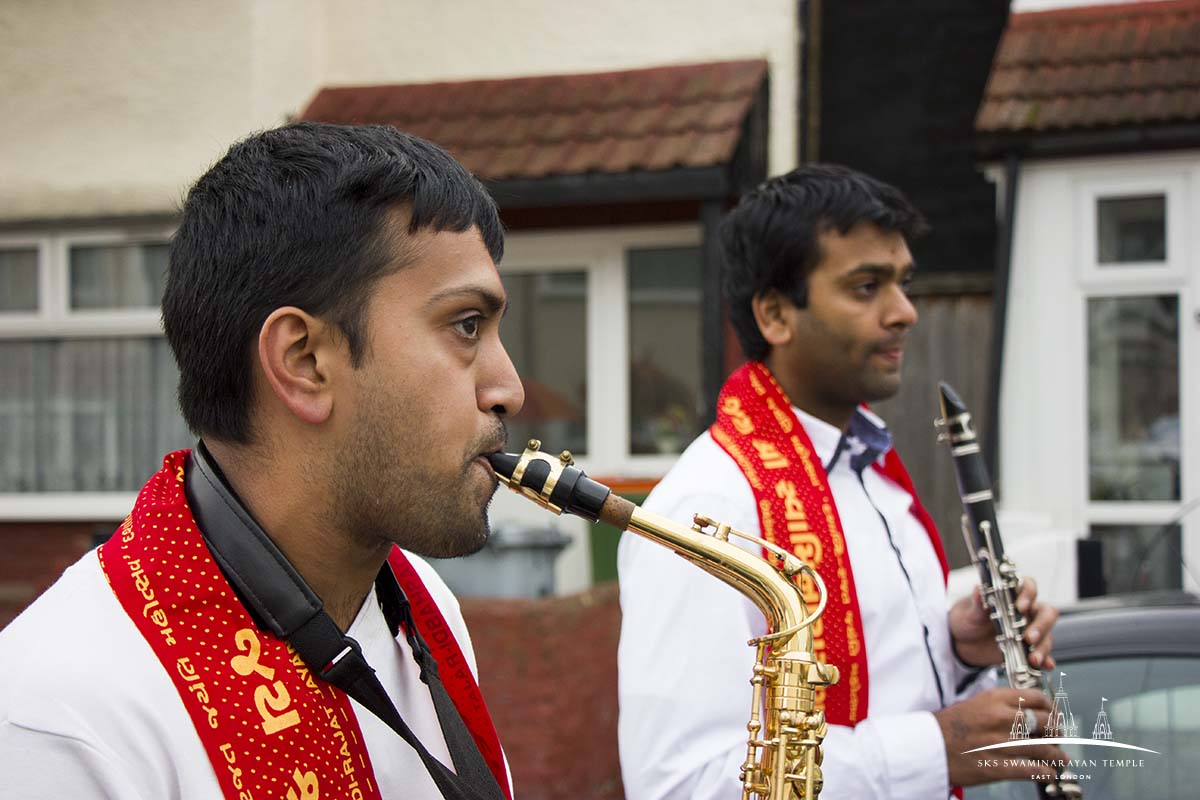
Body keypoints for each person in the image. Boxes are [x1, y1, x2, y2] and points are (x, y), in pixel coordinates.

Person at [0, 122, 524, 800]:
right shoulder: (60, 719)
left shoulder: (423, 607)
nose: (507, 387)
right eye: (466, 326)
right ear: (303, 361)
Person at [617, 164, 1065, 799]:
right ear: (774, 314)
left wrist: (956, 649)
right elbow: (680, 785)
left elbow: (884, 691)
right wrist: (934, 750)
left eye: (903, 282)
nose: (905, 311)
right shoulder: (706, 506)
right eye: (865, 287)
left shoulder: (874, 475)